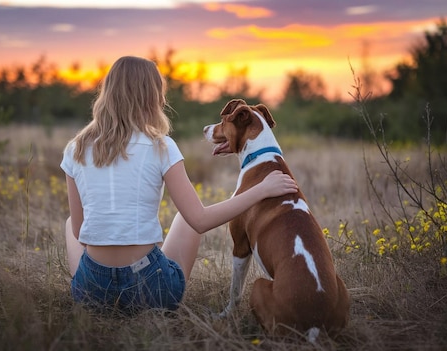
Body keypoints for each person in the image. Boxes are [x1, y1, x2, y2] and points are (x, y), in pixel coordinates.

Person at [61, 55, 298, 314]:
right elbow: (200, 220)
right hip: (151, 289)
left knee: (70, 223)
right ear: (151, 97)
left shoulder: (76, 148)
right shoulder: (162, 146)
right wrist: (262, 189)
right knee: (186, 219)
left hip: (91, 291)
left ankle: (91, 290)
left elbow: (80, 230)